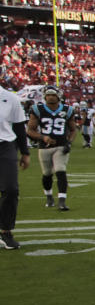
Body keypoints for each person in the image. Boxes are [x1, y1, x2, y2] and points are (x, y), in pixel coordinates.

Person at [26, 86, 76, 211]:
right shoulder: (38, 109)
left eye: (53, 95)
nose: (51, 97)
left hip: (61, 145)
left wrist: (69, 142)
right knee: (47, 174)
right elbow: (30, 130)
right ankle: (49, 196)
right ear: (44, 96)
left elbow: (73, 129)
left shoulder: (67, 109)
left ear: (58, 96)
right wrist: (43, 137)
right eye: (48, 95)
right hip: (44, 147)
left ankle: (62, 201)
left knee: (60, 170)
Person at [0, 84, 30, 249]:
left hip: (5, 145)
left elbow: (19, 126)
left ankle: (5, 231)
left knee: (11, 189)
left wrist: (25, 153)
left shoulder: (10, 98)